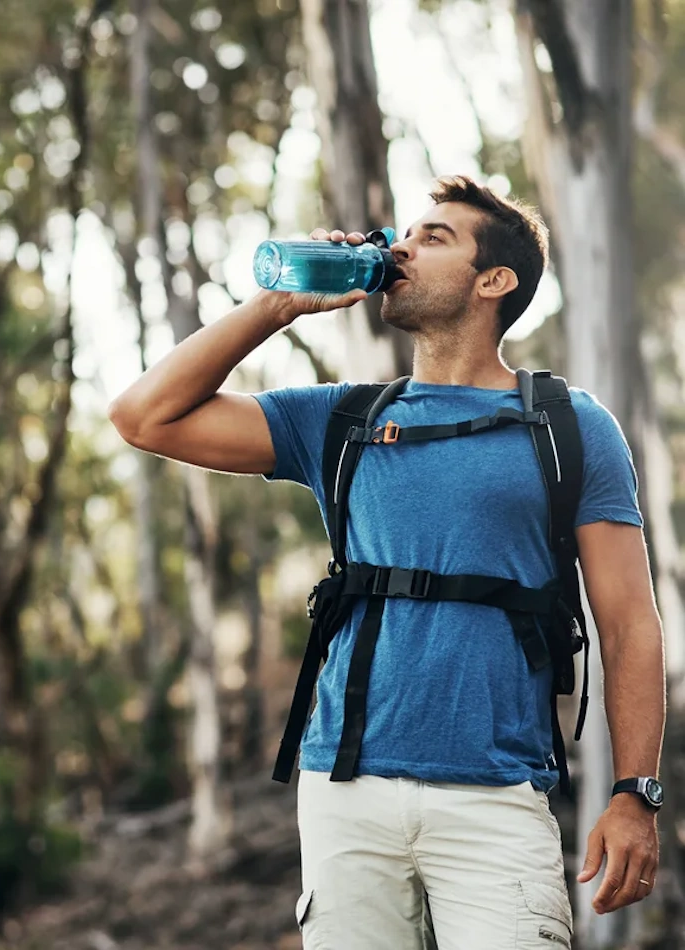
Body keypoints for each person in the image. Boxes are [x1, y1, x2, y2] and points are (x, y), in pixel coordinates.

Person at [108, 175, 665, 948]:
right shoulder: (339, 420)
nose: (399, 246)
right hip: (344, 793)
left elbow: (631, 621)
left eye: (434, 237)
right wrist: (277, 305)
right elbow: (143, 416)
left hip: (498, 796)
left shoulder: (569, 426)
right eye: (404, 233)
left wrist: (636, 792)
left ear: (493, 281)